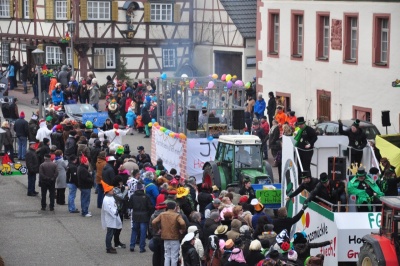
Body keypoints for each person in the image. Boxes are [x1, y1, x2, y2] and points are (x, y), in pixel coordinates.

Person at [151, 201, 186, 266]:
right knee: (174, 256)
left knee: (167, 256)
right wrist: (182, 230)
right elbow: (182, 223)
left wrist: (158, 229)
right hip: (175, 238)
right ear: (175, 207)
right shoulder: (177, 215)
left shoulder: (162, 214)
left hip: (165, 237)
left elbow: (153, 222)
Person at [129, 181, 154, 252]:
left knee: (134, 231)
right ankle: (141, 248)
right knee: (143, 232)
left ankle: (132, 245)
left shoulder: (133, 196)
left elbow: (130, 206)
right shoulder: (146, 196)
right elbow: (150, 207)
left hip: (135, 215)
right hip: (144, 216)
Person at [101, 181, 122, 254]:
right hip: (110, 219)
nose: (113, 190)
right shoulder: (106, 199)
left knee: (112, 233)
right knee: (109, 233)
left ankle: (109, 246)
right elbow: (108, 209)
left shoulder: (111, 197)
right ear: (108, 191)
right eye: (111, 190)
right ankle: (108, 247)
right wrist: (115, 212)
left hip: (113, 217)